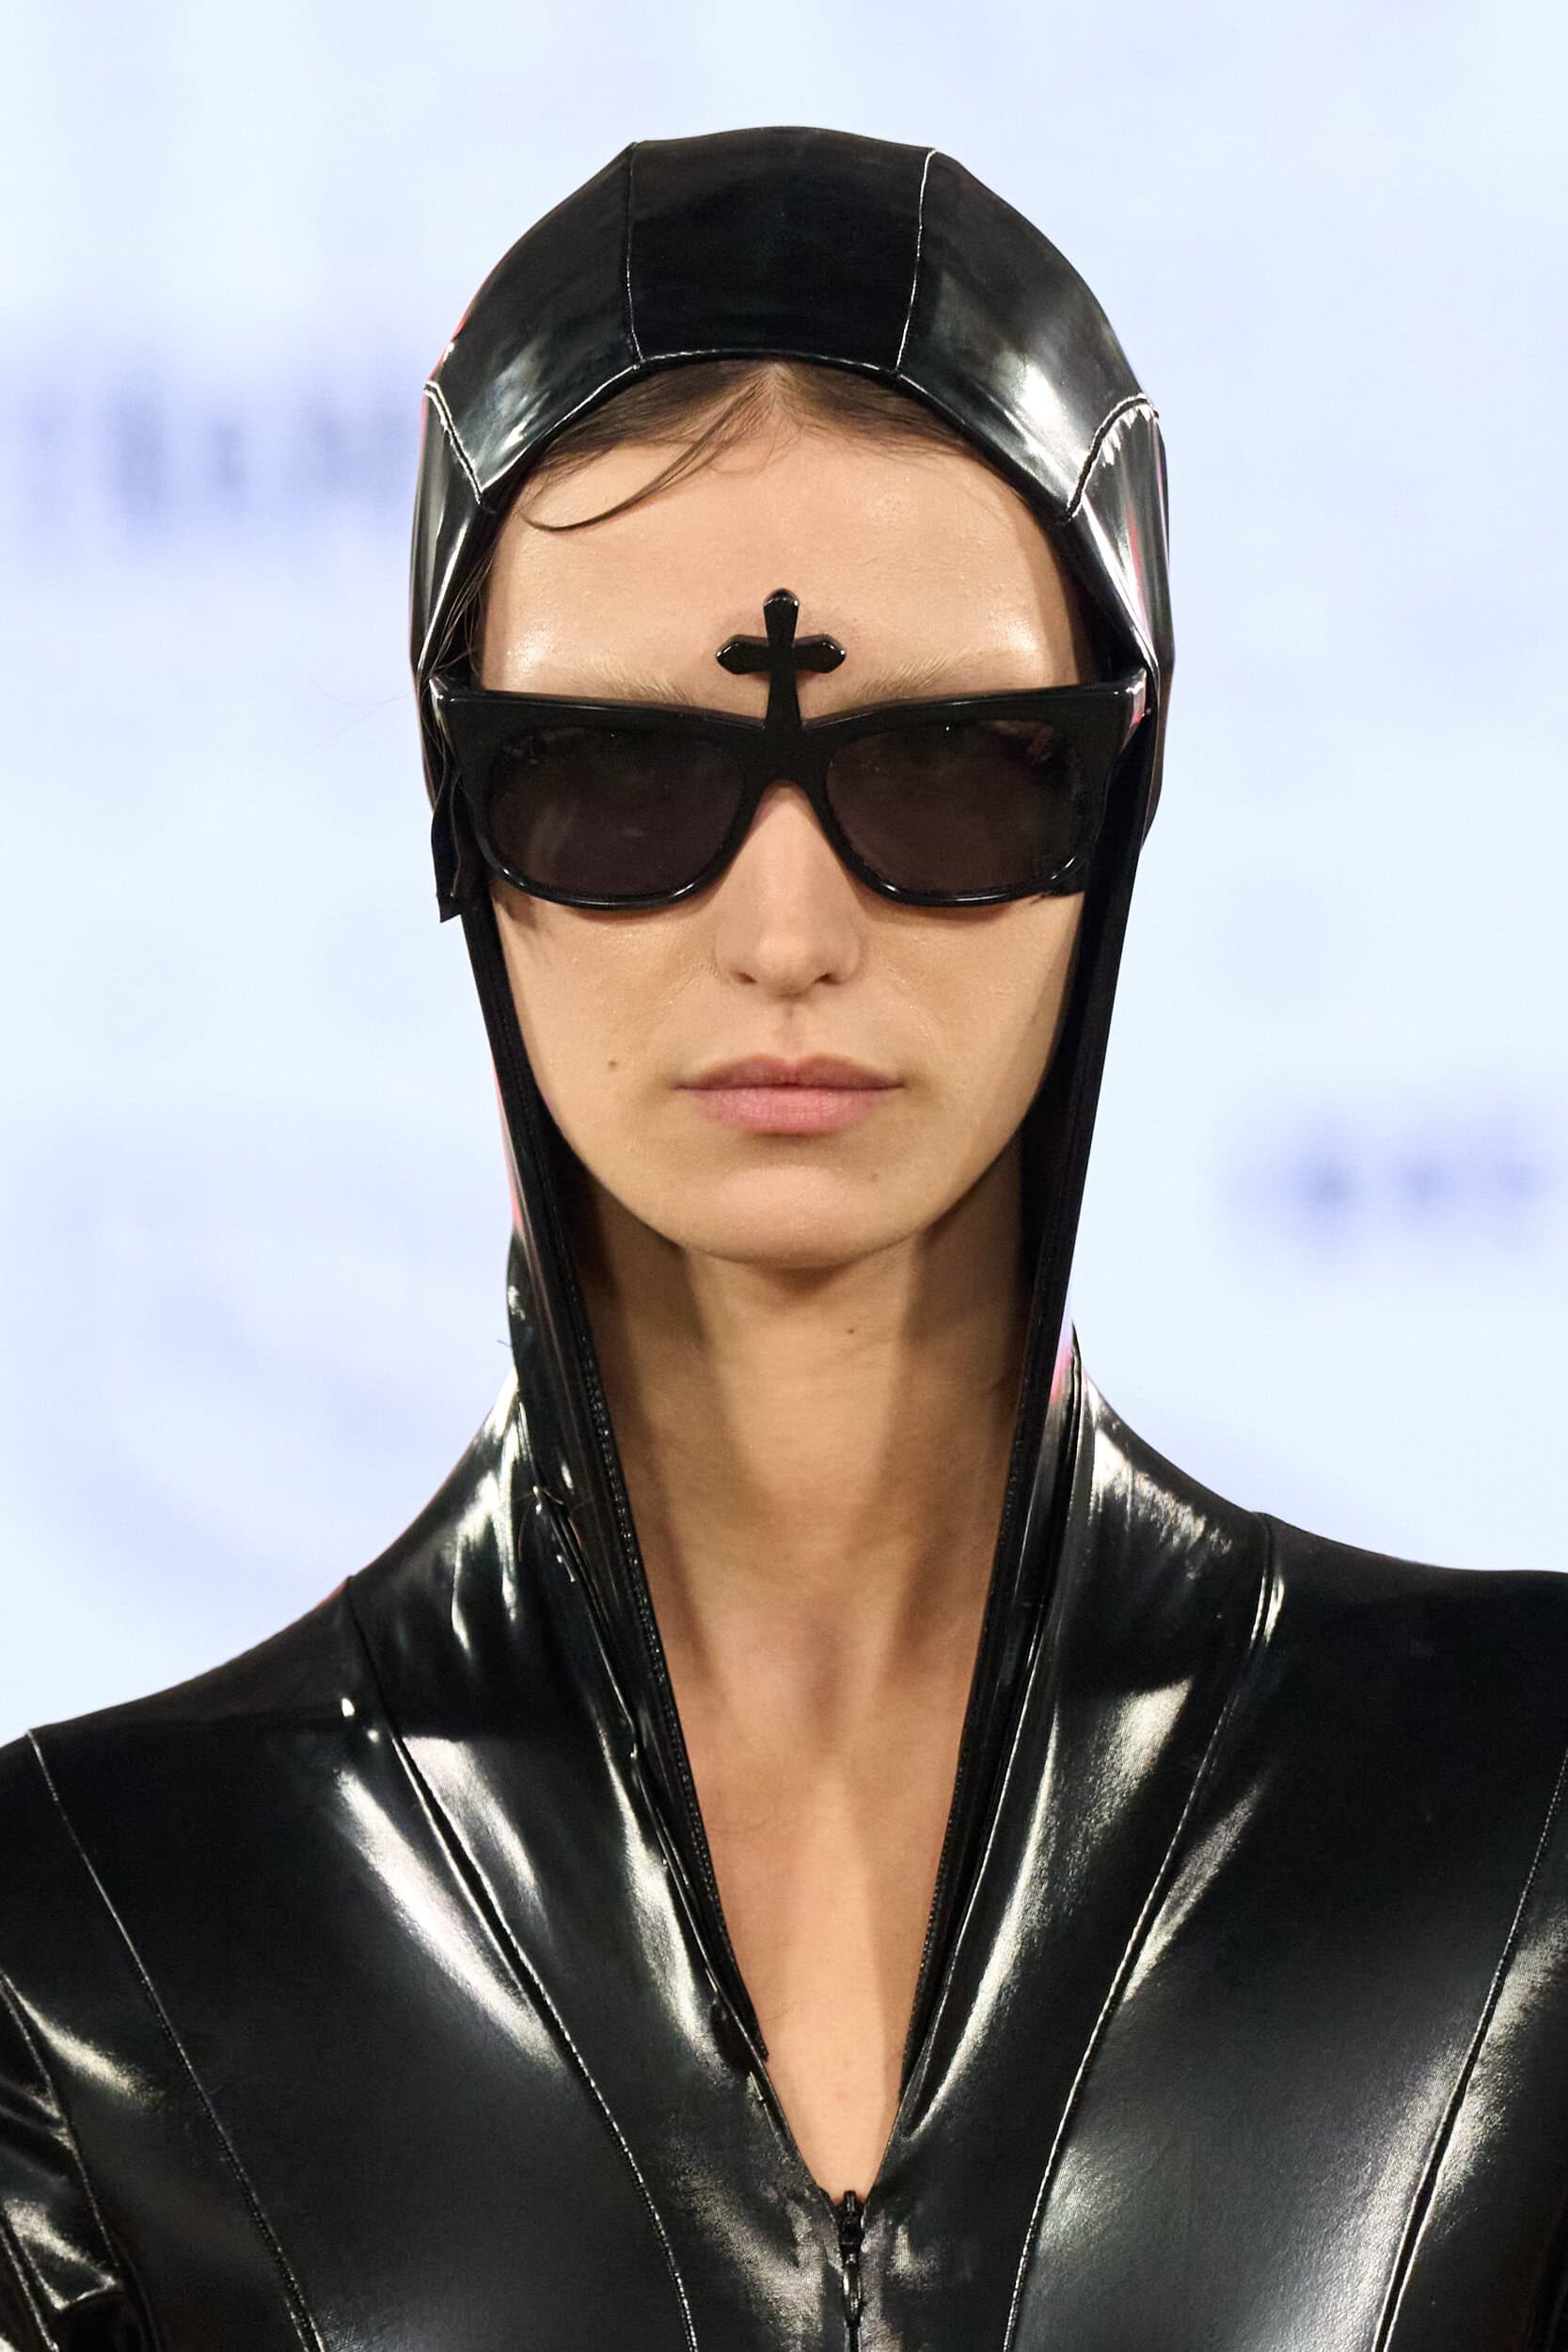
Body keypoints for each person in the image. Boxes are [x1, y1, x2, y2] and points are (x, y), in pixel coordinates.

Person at [1, 126, 1564, 2352]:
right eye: (616, 780)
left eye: (952, 768)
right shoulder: (93, 1946)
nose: (789, 930)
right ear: (458, 804)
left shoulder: (1523, 1836)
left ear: (1118, 788)